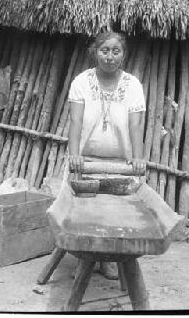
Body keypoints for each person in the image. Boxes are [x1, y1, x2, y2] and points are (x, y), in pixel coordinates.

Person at [67, 31, 147, 279]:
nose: (110, 57)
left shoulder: (132, 85)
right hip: (87, 160)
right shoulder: (81, 81)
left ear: (123, 54)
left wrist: (137, 158)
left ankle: (109, 259)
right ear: (95, 51)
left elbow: (135, 125)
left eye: (116, 51)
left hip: (119, 162)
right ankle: (87, 255)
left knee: (116, 212)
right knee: (85, 209)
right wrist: (74, 156)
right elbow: (76, 121)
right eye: (105, 50)